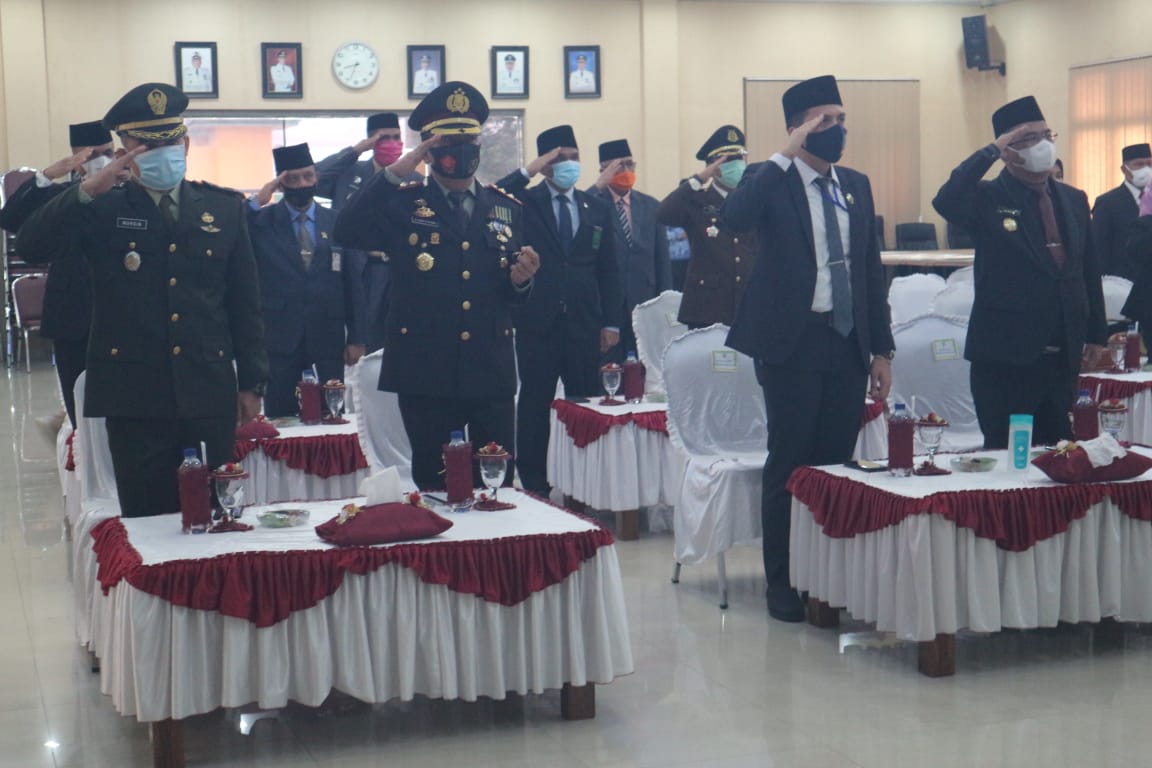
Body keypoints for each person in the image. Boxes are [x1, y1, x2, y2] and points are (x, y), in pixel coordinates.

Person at [18, 82, 268, 518]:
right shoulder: (100, 207)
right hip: (134, 393)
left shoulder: (224, 209)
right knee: (147, 518)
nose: (161, 153)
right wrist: (85, 190)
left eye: (170, 142)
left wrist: (252, 382)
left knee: (214, 514)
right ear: (124, 152)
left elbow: (244, 303)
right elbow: (31, 244)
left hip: (207, 387)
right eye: (147, 145)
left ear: (185, 144)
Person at [722, 75, 893, 622]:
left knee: (834, 465)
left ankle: (825, 577)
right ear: (799, 127)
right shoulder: (768, 177)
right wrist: (785, 153)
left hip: (846, 341)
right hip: (790, 343)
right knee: (790, 460)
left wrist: (882, 349)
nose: (837, 129)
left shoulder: (855, 185)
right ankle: (783, 580)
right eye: (826, 120)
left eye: (842, 119)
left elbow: (869, 271)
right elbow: (735, 218)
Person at [334, 81, 540, 491]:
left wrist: (521, 282)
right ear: (428, 149)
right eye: (447, 142)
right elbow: (346, 230)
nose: (460, 151)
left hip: (489, 367)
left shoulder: (506, 208)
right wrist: (396, 172)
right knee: (437, 485)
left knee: (496, 486)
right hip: (426, 370)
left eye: (468, 141)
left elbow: (507, 292)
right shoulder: (402, 203)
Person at [933, 95, 1107, 450]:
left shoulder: (1073, 198)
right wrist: (989, 152)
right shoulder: (988, 198)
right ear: (1007, 151)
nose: (1042, 145)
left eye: (1046, 135)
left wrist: (1096, 334)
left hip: (1063, 354)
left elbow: (1088, 269)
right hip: (1006, 357)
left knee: (1061, 454)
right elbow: (946, 200)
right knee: (1007, 458)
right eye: (1028, 138)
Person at [493, 125, 621, 495]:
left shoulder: (595, 206)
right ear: (545, 164)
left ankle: (587, 485)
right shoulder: (524, 202)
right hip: (537, 319)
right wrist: (528, 170)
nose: (569, 164)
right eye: (560, 158)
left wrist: (612, 322)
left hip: (585, 321)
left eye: (574, 157)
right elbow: (493, 197)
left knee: (586, 404)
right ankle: (535, 483)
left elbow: (609, 269)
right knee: (535, 403)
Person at [0, 121, 122, 428]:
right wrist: (47, 175)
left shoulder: (129, 193)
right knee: (79, 407)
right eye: (93, 155)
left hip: (122, 314)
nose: (103, 161)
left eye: (108, 153)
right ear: (77, 161)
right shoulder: (61, 197)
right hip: (73, 314)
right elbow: (10, 219)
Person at [247, 143, 360, 417]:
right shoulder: (261, 222)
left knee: (330, 415)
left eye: (308, 176)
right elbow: (229, 230)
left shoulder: (337, 221)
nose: (302, 184)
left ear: (316, 177)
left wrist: (357, 337)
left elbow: (353, 283)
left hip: (327, 336)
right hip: (279, 338)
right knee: (281, 416)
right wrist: (257, 200)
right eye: (293, 179)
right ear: (280, 182)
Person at [317, 113, 413, 357]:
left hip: (394, 271)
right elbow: (315, 177)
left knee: (392, 343)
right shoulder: (350, 173)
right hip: (355, 270)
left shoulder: (413, 178)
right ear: (372, 141)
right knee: (355, 346)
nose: (393, 143)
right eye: (385, 138)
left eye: (397, 137)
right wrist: (356, 150)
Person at [657, 124, 759, 328]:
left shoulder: (752, 200)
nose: (737, 165)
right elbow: (664, 214)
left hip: (749, 305)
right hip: (708, 308)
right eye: (729, 160)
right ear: (713, 165)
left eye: (740, 158)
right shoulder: (698, 201)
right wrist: (699, 178)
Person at [589, 138, 671, 359]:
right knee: (609, 369)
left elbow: (662, 261)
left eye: (629, 164)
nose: (626, 170)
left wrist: (665, 305)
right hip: (607, 308)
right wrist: (598, 185)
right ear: (604, 171)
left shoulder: (651, 206)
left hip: (645, 302)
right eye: (619, 166)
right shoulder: (594, 204)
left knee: (646, 368)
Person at [1091, 143, 1151, 279]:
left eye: (1149, 164)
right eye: (1139, 164)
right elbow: (1099, 251)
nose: (1146, 169)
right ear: (1124, 169)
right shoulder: (1107, 203)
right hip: (1122, 282)